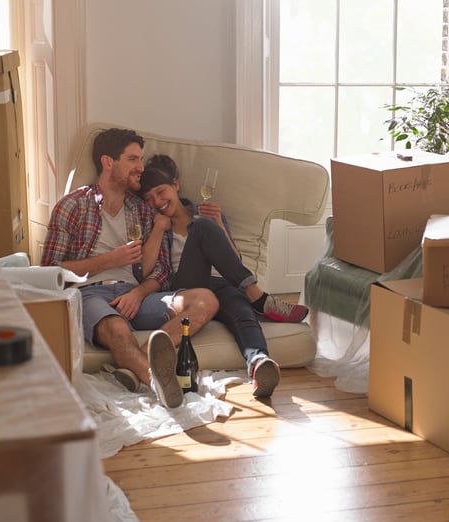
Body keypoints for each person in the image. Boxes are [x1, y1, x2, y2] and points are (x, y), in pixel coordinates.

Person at [41, 128, 218, 408]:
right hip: (91, 294)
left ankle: (138, 360)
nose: (141, 167)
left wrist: (138, 294)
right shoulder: (72, 206)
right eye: (133, 159)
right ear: (108, 162)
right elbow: (49, 270)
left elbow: (160, 270)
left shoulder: (143, 211)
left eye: (141, 159)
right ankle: (159, 382)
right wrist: (109, 260)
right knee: (118, 330)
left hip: (138, 295)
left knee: (205, 300)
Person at [135, 154, 308, 397]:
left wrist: (218, 224)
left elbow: (234, 262)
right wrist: (158, 228)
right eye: (149, 199)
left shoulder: (206, 213)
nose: (157, 202)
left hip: (221, 283)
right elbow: (146, 269)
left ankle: (259, 363)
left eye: (161, 192)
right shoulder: (154, 224)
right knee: (203, 228)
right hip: (185, 290)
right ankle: (260, 298)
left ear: (175, 185)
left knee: (241, 311)